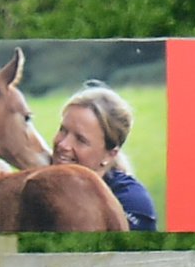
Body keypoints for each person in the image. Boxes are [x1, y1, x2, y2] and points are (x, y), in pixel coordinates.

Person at [51, 82, 157, 232]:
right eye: (63, 130)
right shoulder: (37, 184)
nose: (63, 144)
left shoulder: (130, 202)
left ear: (110, 154)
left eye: (81, 140)